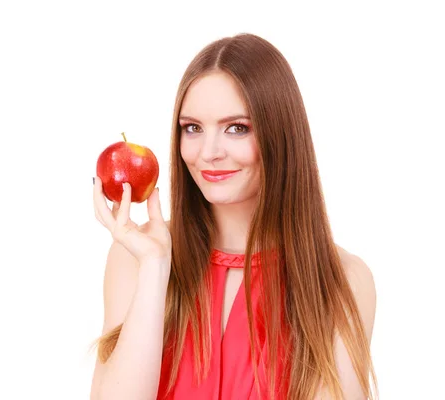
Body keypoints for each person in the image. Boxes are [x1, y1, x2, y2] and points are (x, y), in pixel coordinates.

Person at [90, 33, 378, 400]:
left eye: (236, 128)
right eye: (192, 128)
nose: (208, 152)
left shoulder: (342, 280)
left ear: (279, 136)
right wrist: (154, 268)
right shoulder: (136, 259)